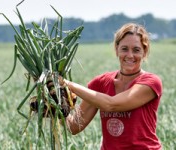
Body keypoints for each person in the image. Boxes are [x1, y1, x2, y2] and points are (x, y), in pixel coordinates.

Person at [59, 22, 163, 150]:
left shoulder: (151, 82)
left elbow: (112, 104)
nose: (130, 55)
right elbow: (75, 126)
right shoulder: (100, 83)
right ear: (117, 48)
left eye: (136, 50)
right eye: (125, 49)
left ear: (144, 52)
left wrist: (67, 84)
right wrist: (58, 104)